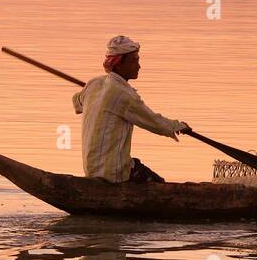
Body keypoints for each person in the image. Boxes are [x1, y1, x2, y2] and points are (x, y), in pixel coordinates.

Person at [72, 35, 187, 183]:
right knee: (160, 184)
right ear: (118, 64)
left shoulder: (93, 84)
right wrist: (177, 126)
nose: (139, 66)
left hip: (92, 169)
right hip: (114, 173)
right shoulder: (124, 94)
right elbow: (153, 122)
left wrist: (90, 93)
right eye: (134, 61)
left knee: (137, 165)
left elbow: (77, 102)